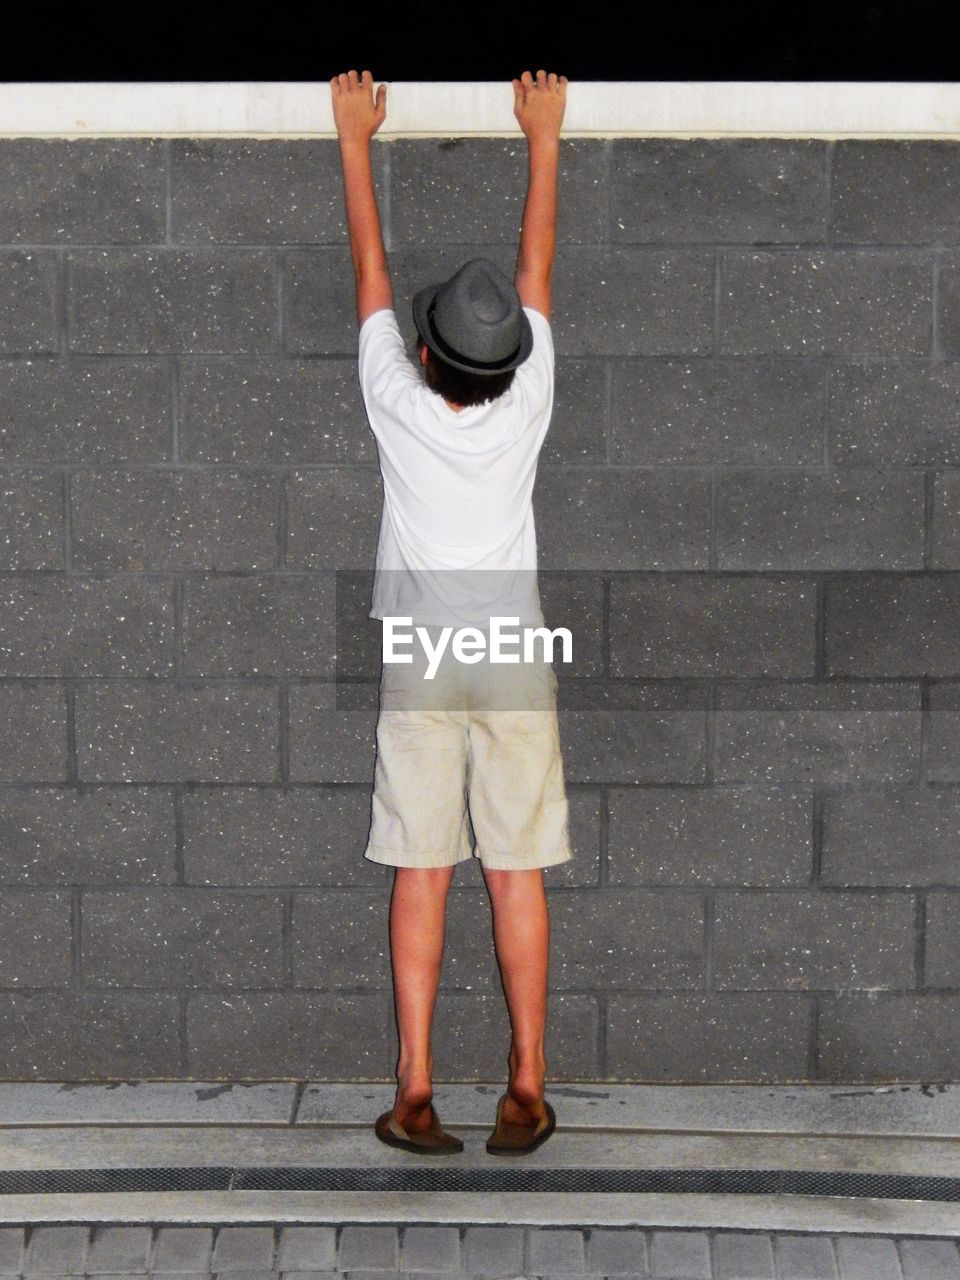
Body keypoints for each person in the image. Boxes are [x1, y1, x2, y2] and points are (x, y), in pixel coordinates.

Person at [331, 67, 571, 1156]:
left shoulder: (396, 402)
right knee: (512, 870)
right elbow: (536, 270)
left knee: (421, 870)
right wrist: (545, 135)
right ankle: (525, 1085)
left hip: (423, 655)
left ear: (428, 356)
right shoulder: (531, 398)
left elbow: (371, 272)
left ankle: (416, 1089)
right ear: (506, 362)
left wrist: (354, 135)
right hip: (512, 653)